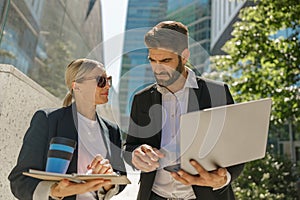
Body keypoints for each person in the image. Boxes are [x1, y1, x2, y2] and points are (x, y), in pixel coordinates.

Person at [124, 21, 244, 199]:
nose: (158, 68)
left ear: (185, 56)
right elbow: (130, 145)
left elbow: (237, 147)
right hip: (154, 195)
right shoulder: (142, 99)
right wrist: (135, 154)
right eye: (152, 60)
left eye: (165, 60)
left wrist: (224, 178)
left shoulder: (216, 93)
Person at [9, 58, 126, 200]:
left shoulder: (112, 130)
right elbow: (19, 181)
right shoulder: (48, 120)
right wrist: (55, 191)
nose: (107, 86)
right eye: (101, 81)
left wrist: (108, 182)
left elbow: (121, 177)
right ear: (76, 86)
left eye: (109, 80)